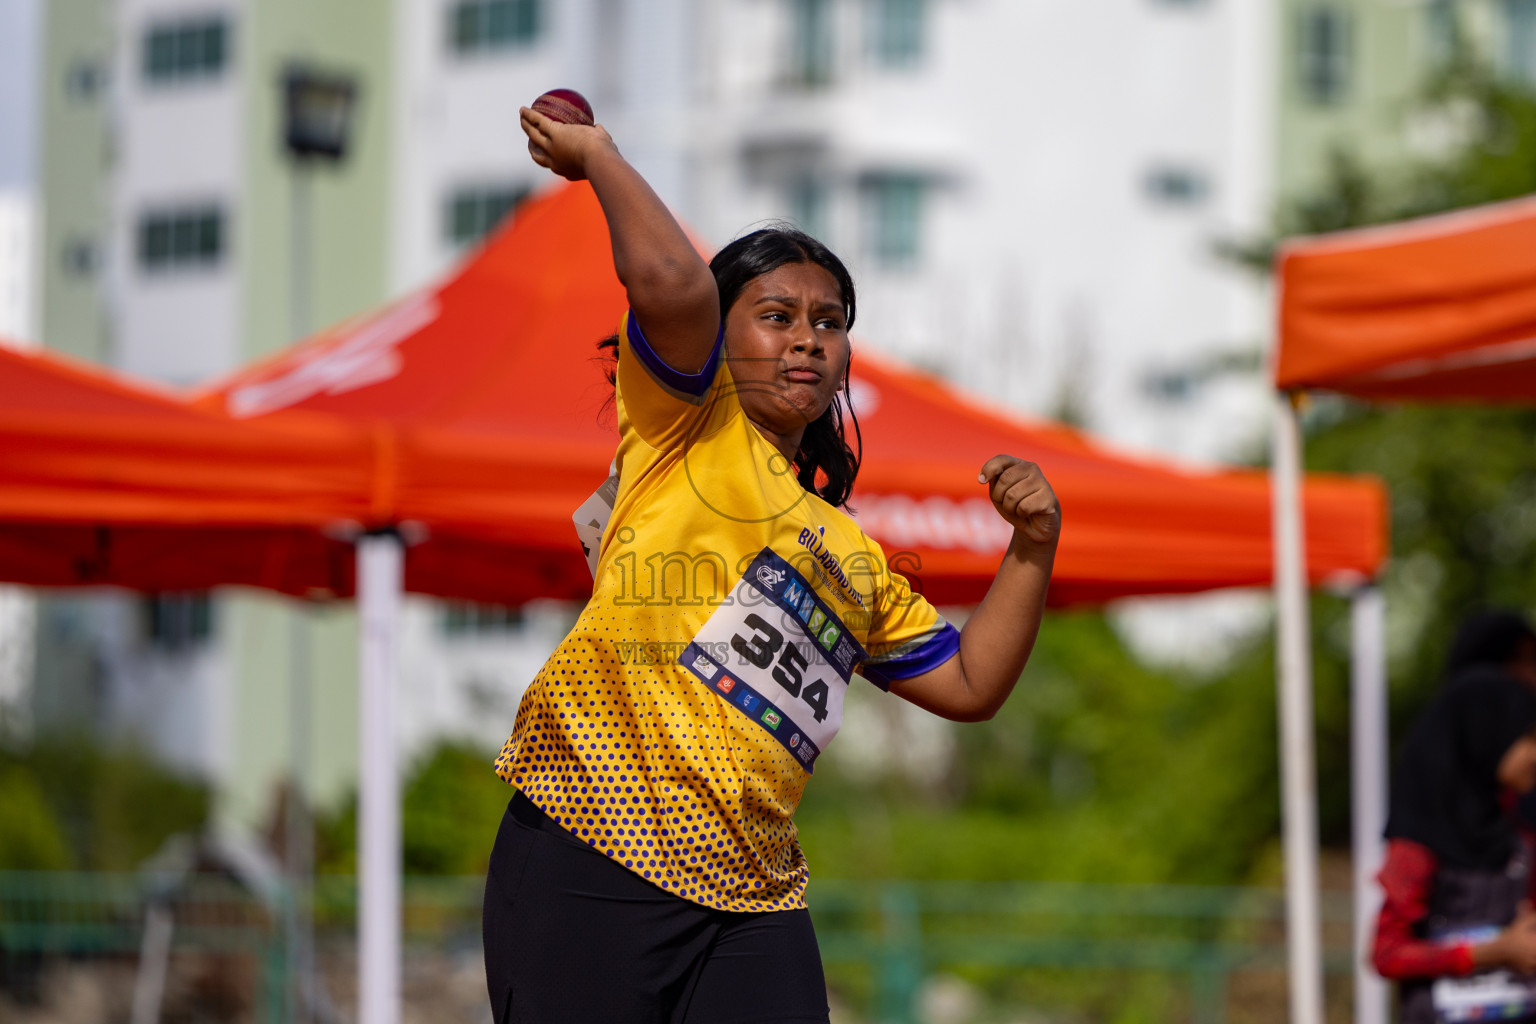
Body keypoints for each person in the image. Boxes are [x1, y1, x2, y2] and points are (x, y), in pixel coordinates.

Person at [480, 107, 1060, 1023]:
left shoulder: (854, 557)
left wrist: (1031, 549)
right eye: (777, 315)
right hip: (594, 839)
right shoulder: (687, 423)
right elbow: (672, 283)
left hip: (752, 892)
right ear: (721, 335)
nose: (806, 338)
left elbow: (972, 682)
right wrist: (598, 157)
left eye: (827, 323)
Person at [1373, 669, 1536, 1024]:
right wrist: (1491, 952)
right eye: (1527, 738)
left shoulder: (1520, 837)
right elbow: (1387, 953)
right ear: (1487, 734)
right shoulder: (1416, 847)